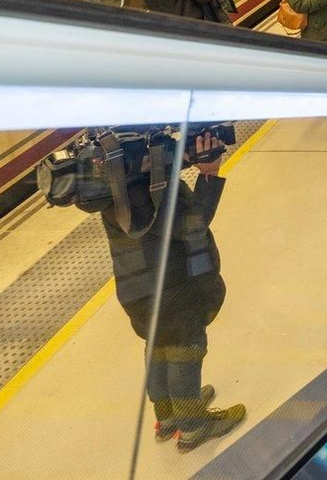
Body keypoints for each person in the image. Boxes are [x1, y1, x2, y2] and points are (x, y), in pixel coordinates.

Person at [102, 130, 245, 452]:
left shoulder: (115, 179)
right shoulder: (156, 188)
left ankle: (166, 416)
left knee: (157, 342)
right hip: (174, 287)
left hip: (135, 287)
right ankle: (193, 425)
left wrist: (176, 162)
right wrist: (208, 175)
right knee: (185, 346)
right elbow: (191, 225)